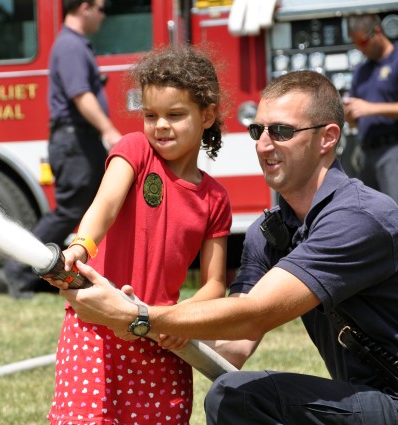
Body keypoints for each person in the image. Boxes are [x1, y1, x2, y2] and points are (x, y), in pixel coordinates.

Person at [54, 70, 398, 424]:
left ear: (328, 138)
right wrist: (167, 328)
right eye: (257, 131)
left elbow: (256, 314)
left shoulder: (358, 217)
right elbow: (234, 347)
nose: (264, 145)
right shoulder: (269, 234)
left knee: (238, 398)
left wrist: (138, 317)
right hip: (365, 399)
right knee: (235, 391)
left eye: (281, 131)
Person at [46, 44, 232, 424]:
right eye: (151, 115)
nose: (160, 125)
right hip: (95, 326)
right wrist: (82, 244)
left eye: (175, 115)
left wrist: (179, 318)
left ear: (207, 115)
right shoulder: (135, 149)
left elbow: (215, 285)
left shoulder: (215, 199)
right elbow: (106, 204)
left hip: (160, 338)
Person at [0, 0, 122, 299]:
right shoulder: (70, 46)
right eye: (101, 8)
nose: (103, 16)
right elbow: (80, 94)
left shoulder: (75, 44)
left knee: (89, 208)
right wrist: (108, 130)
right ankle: (15, 271)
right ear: (84, 7)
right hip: (75, 141)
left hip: (79, 140)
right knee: (70, 211)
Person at [344, 14, 398, 203]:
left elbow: (367, 108)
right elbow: (357, 113)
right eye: (356, 44)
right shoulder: (361, 71)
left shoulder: (396, 60)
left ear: (377, 31)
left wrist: (370, 108)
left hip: (392, 150)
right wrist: (349, 114)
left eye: (363, 41)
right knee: (369, 214)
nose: (360, 48)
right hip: (366, 152)